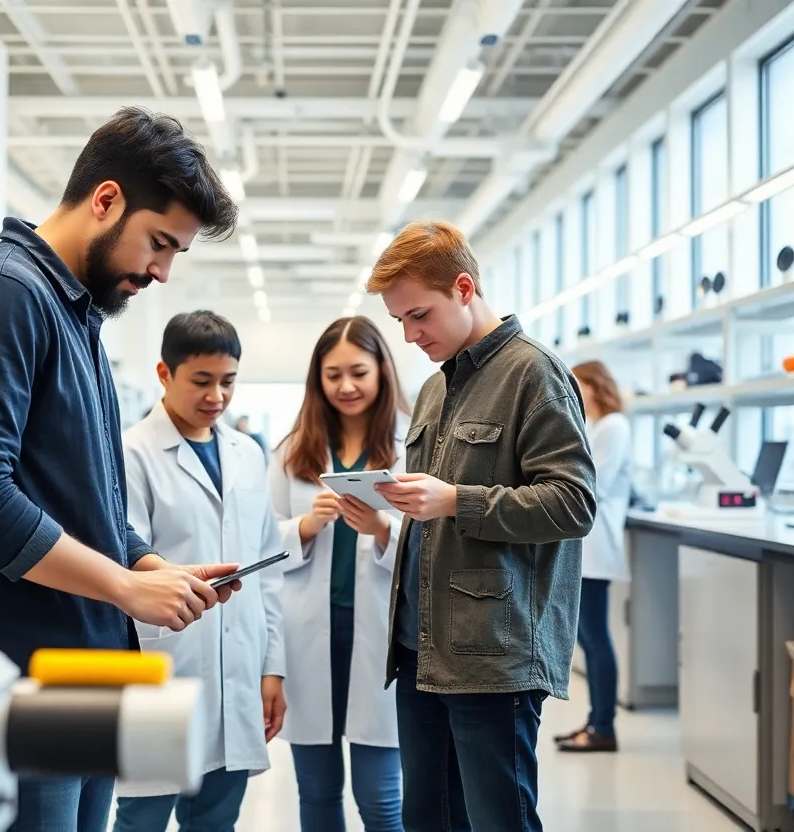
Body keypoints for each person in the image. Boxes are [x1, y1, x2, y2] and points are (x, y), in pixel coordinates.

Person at [0, 107, 243, 832]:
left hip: (80, 671)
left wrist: (145, 564)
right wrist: (121, 585)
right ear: (106, 199)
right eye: (159, 243)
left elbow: (78, 493)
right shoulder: (4, 297)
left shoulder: (75, 314)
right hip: (12, 677)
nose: (162, 270)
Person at [366, 220, 597, 832]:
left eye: (420, 315)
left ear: (464, 288)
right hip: (422, 647)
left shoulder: (533, 374)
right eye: (400, 323)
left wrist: (456, 501)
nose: (412, 335)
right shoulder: (435, 390)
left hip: (493, 655)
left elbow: (574, 504)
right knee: (429, 818)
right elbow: (437, 508)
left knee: (499, 819)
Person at [113, 311, 286, 831]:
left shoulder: (247, 453)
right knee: (142, 815)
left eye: (228, 382)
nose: (217, 397)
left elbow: (268, 573)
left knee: (215, 818)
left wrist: (270, 666)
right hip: (161, 662)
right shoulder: (132, 452)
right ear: (165, 374)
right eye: (202, 381)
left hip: (238, 664)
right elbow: (126, 552)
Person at [266, 316, 409, 832]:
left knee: (382, 798)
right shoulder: (292, 451)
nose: (346, 386)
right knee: (318, 793)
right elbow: (263, 547)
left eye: (358, 372)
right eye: (333, 375)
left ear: (382, 372)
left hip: (380, 635)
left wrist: (381, 527)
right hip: (309, 636)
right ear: (317, 380)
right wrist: (304, 527)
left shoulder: (412, 444)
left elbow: (434, 547)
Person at [555, 360, 632, 753]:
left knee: (596, 638)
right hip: (584, 546)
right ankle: (595, 721)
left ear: (594, 385)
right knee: (587, 638)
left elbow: (587, 481)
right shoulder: (595, 427)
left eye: (577, 384)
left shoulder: (614, 426)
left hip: (596, 546)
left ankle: (604, 726)